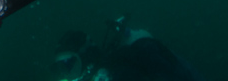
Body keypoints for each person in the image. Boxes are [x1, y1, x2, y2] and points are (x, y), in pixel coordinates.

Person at [51, 17, 206, 81]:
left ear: (86, 55)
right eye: (61, 67)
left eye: (68, 63)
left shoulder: (121, 69)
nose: (65, 73)